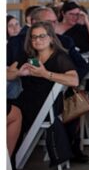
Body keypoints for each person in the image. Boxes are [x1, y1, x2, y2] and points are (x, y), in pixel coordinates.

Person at [8, 22, 80, 153]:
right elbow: (7, 74)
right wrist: (19, 73)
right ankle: (8, 160)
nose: (37, 40)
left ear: (51, 38)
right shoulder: (28, 55)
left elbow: (74, 80)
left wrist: (45, 74)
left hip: (46, 105)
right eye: (34, 37)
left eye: (42, 36)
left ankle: (8, 160)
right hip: (27, 100)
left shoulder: (59, 57)